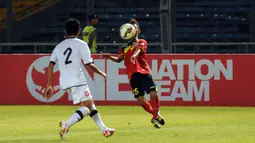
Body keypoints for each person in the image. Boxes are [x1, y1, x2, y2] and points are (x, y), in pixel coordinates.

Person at [44, 18, 115, 140]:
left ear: (65, 32)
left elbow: (50, 66)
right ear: (79, 31)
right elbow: (88, 64)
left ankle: (104, 129)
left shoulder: (58, 47)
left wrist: (49, 85)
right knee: (87, 108)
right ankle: (67, 123)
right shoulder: (82, 44)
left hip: (65, 82)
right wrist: (101, 73)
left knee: (90, 104)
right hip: (77, 80)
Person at [101, 19, 165, 128]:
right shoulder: (123, 48)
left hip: (144, 73)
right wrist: (109, 57)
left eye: (135, 27)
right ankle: (156, 115)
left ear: (138, 31)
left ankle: (155, 116)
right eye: (131, 27)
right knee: (141, 101)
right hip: (132, 77)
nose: (133, 29)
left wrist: (134, 56)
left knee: (153, 94)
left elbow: (139, 50)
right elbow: (119, 59)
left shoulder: (142, 41)